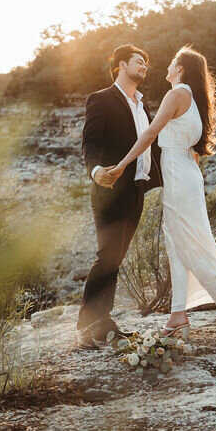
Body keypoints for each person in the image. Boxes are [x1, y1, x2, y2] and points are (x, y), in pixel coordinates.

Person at [107, 46, 216, 338]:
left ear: (181, 69)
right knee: (179, 242)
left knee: (188, 244)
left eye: (172, 62)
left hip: (178, 173)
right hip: (187, 174)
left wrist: (122, 164)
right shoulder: (196, 101)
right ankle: (178, 315)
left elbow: (149, 134)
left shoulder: (176, 95)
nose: (167, 67)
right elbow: (194, 153)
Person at [76, 44, 162, 350]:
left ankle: (103, 323)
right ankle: (86, 327)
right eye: (140, 61)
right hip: (110, 189)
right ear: (121, 64)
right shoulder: (101, 99)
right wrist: (96, 170)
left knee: (116, 258)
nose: (145, 67)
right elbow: (90, 142)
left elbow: (153, 146)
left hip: (137, 190)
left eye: (147, 64)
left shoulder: (143, 105)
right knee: (107, 256)